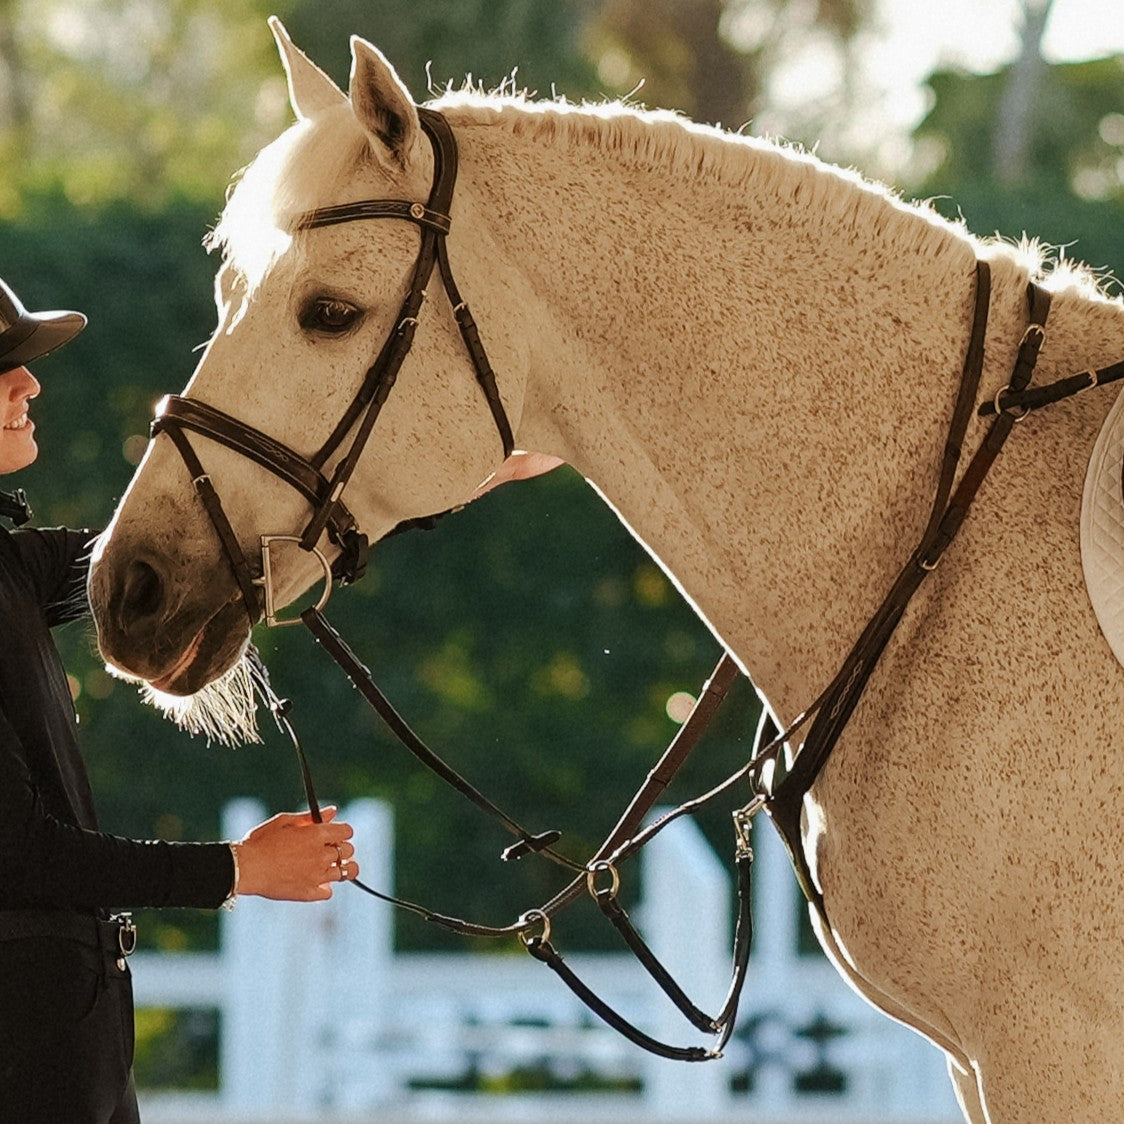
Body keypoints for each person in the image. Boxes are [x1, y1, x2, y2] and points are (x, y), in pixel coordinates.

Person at [0, 274, 361, 1123]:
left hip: (69, 1040)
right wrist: (239, 870)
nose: (30, 383)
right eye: (2, 367)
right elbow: (20, 855)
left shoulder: (8, 564)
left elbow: (189, 552)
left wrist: (435, 482)